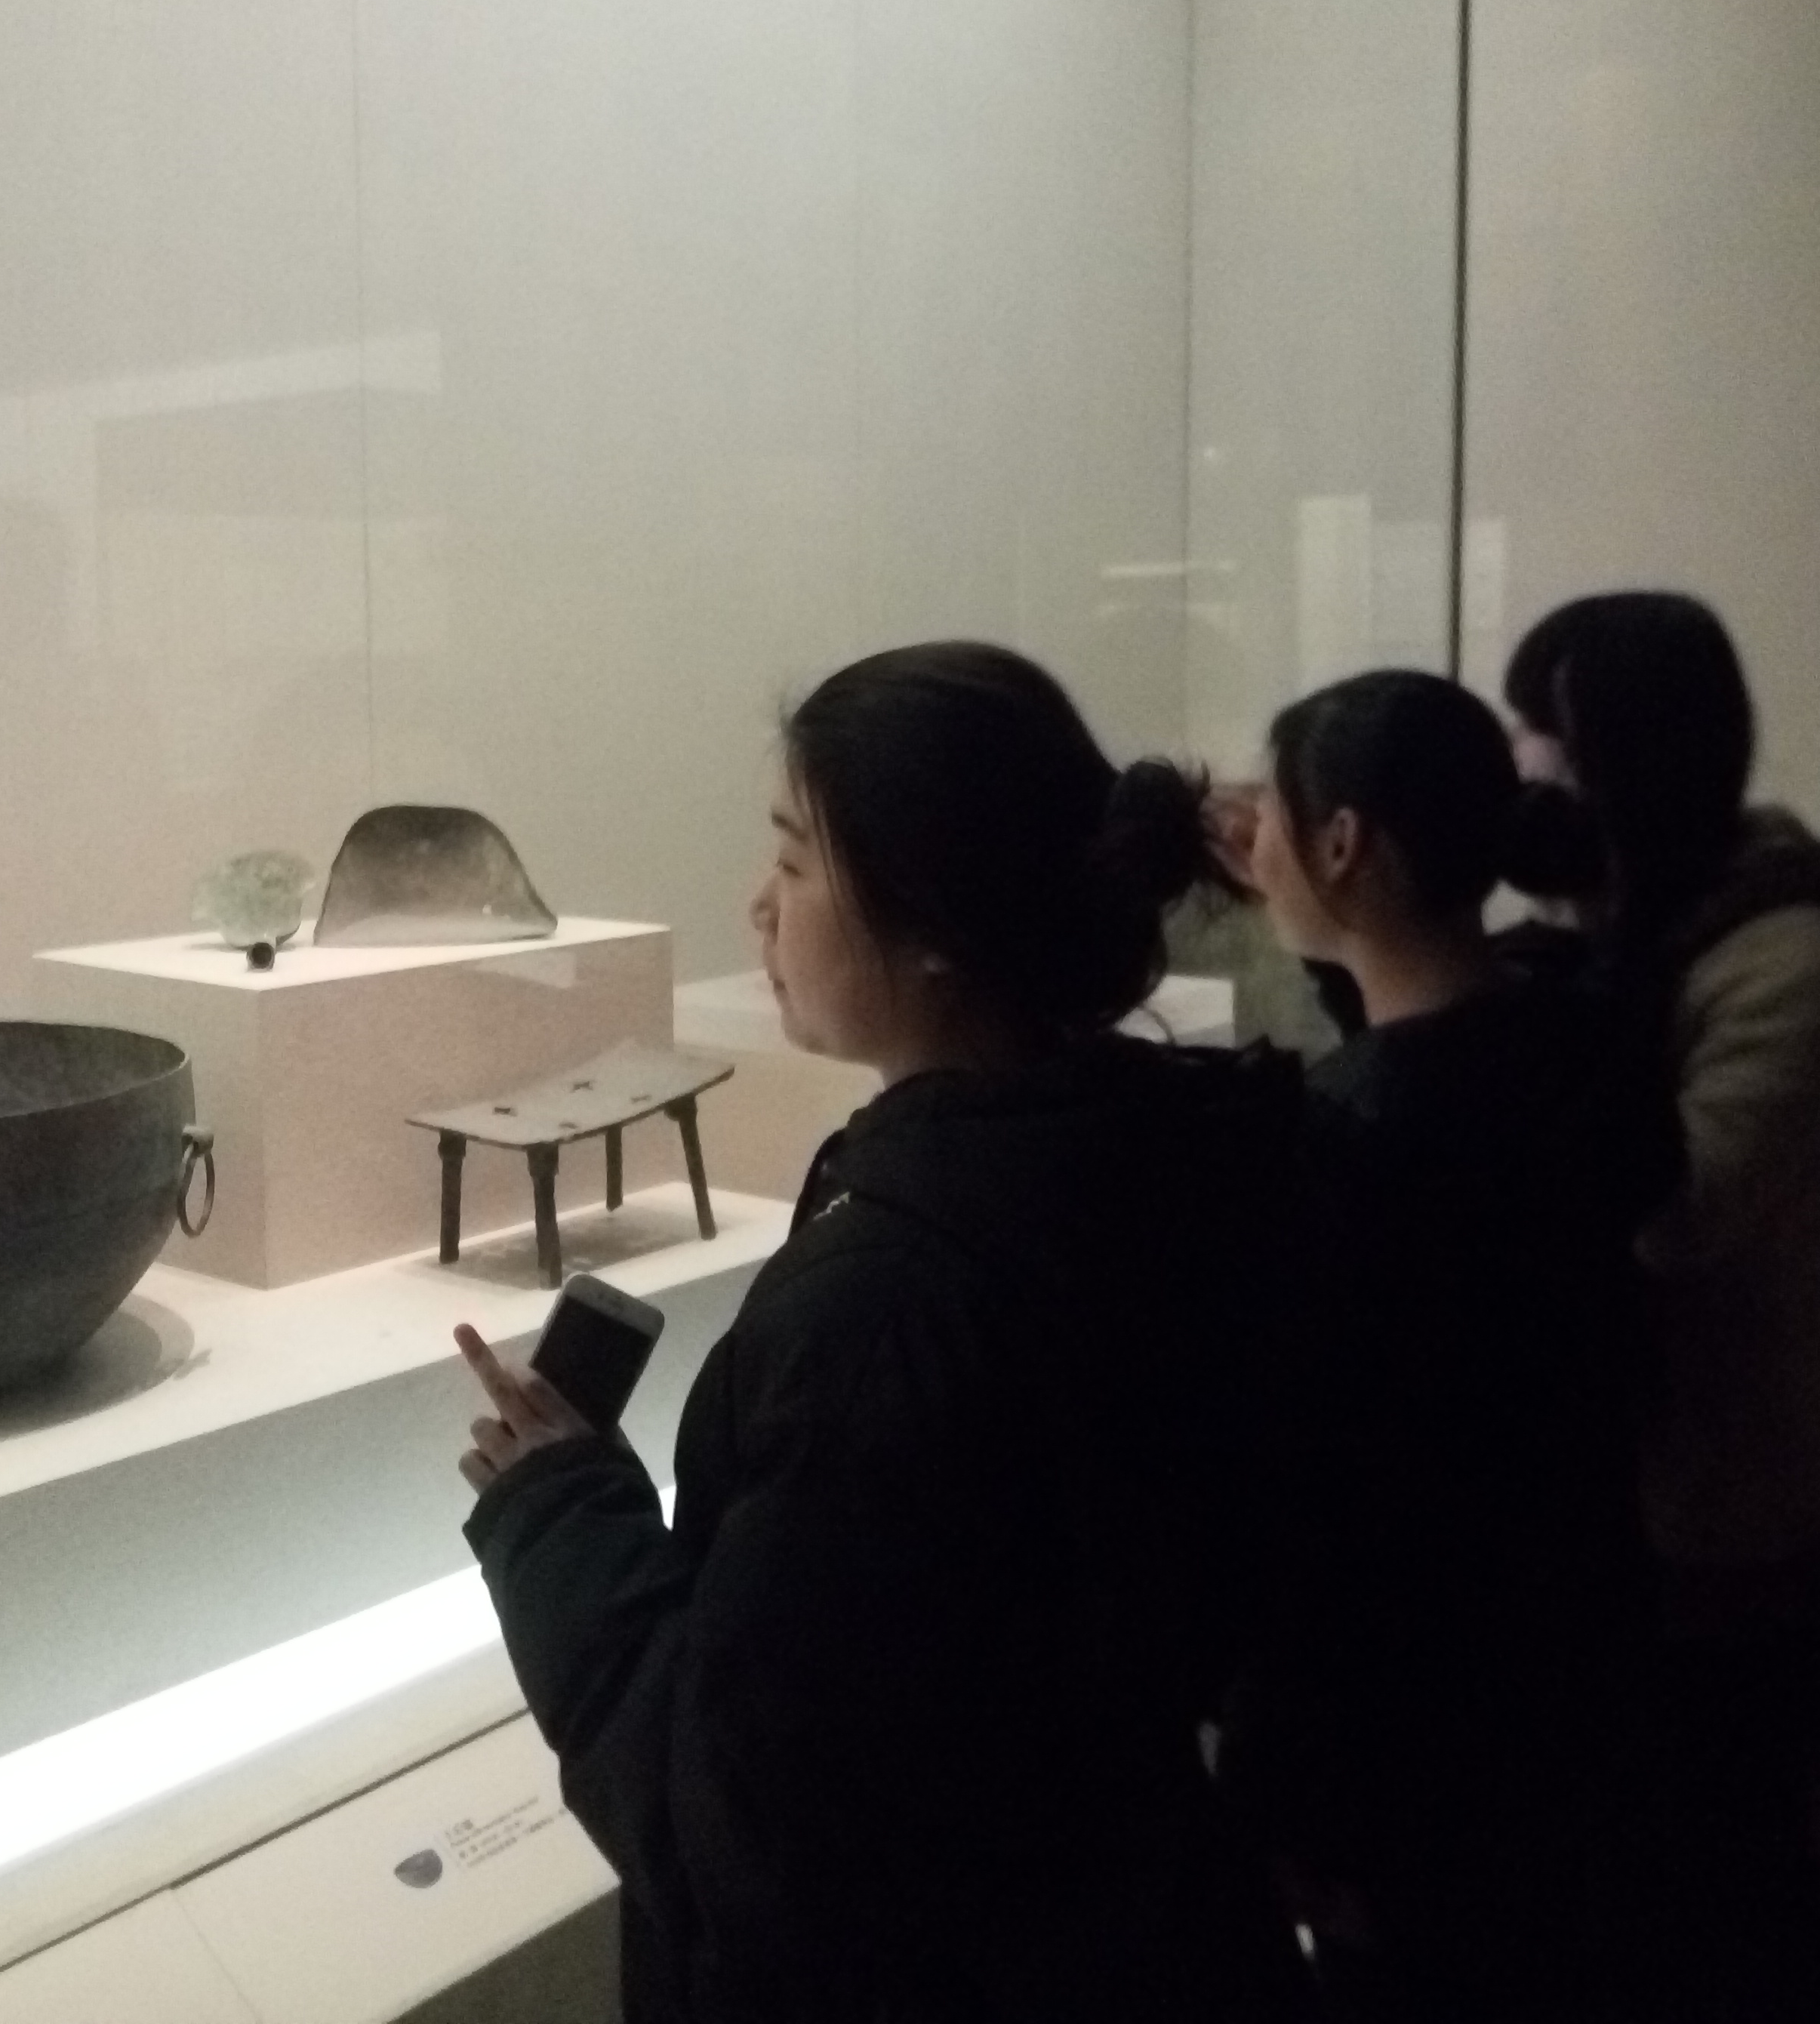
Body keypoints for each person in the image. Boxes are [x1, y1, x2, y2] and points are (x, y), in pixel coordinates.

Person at [450, 642, 1313, 2024]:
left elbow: (755, 1834)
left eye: (794, 862)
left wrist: (559, 1515)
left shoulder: (888, 1310)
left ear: (934, 927)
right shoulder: (1186, 1157)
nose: (757, 904)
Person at [1224, 669, 1682, 2023]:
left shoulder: (1345, 1138)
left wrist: (1282, 1784)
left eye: (1273, 819)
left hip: (1414, 1728)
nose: (1253, 846)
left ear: (1344, 843)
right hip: (1583, 1643)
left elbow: (1325, 1506)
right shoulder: (1585, 1037)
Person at [1501, 590, 1820, 2024]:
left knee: (1732, 1869)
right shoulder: (1618, 914)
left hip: (1732, 1506)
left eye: (1546, 741)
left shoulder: (1795, 946)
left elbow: (1681, 1213)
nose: (1526, 774)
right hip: (1614, 1495)